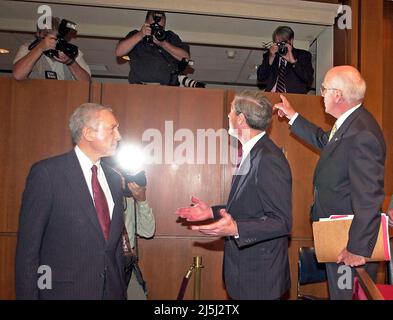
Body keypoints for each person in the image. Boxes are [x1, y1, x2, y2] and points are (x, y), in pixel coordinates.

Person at [274, 65, 386, 300]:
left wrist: (357, 249)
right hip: (338, 237)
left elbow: (369, 198)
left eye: (324, 89)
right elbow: (325, 140)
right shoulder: (350, 124)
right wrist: (293, 116)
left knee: (346, 297)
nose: (321, 94)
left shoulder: (361, 132)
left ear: (338, 95)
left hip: (350, 244)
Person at [176, 90, 292, 300]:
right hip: (245, 272)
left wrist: (237, 228)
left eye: (230, 111)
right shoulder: (252, 152)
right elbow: (249, 206)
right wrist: (211, 211)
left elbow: (281, 221)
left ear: (240, 119)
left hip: (260, 278)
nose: (228, 116)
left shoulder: (268, 158)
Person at [15, 103, 126, 299]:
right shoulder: (48, 174)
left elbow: (113, 248)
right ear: (88, 133)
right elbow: (28, 248)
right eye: (112, 129)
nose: (118, 136)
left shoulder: (115, 180)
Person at [115, 10, 190, 85]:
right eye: (153, 26)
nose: (156, 30)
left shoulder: (170, 37)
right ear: (146, 23)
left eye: (160, 27)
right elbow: (119, 52)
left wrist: (163, 44)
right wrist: (140, 35)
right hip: (139, 88)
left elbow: (185, 57)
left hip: (167, 88)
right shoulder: (135, 35)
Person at [13, 16, 91, 81]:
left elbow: (87, 83)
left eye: (55, 36)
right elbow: (17, 75)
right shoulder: (28, 48)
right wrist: (40, 47)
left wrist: (70, 62)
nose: (52, 40)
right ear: (38, 34)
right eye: (46, 34)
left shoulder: (70, 51)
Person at [123, 179, 155, 300]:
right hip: (103, 265)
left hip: (127, 265)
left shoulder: (128, 197)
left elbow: (148, 231)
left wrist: (142, 201)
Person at [257, 26, 314, 94]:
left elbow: (308, 79)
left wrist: (293, 62)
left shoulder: (303, 55)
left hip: (294, 98)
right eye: (277, 43)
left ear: (291, 41)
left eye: (283, 43)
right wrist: (271, 57)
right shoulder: (270, 55)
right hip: (272, 96)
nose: (280, 46)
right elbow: (261, 77)